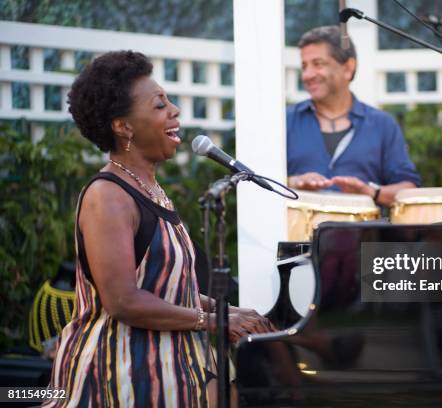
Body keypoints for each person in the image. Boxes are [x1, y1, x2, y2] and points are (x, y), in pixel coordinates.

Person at [43, 50, 272, 407]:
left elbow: (163, 289)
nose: (175, 111)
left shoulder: (151, 190)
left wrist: (225, 311)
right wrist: (212, 322)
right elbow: (124, 301)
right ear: (124, 126)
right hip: (122, 378)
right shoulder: (108, 196)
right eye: (159, 105)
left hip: (175, 367)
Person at [287, 26, 421, 207]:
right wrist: (292, 182)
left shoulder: (382, 124)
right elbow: (256, 179)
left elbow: (409, 191)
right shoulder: (284, 121)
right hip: (295, 234)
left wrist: (370, 192)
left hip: (363, 235)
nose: (307, 75)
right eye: (304, 66)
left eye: (318, 64)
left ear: (348, 68)